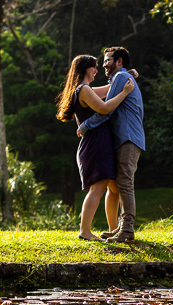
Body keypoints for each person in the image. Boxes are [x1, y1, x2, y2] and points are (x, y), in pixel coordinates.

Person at [56, 55, 134, 241]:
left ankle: (114, 229)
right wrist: (124, 93)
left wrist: (127, 75)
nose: (96, 71)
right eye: (94, 67)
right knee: (97, 188)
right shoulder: (83, 90)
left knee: (113, 188)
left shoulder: (86, 89)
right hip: (95, 145)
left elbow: (109, 89)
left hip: (100, 143)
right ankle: (85, 232)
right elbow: (105, 108)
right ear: (85, 69)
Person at [77, 46, 145, 243]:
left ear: (119, 61)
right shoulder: (119, 79)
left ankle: (127, 230)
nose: (105, 64)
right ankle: (119, 229)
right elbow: (108, 99)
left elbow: (107, 110)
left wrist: (86, 125)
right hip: (122, 139)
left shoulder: (121, 78)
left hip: (128, 138)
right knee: (118, 185)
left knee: (124, 183)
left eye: (107, 60)